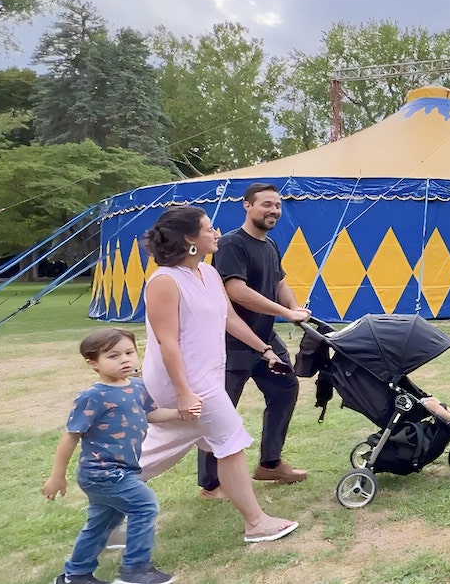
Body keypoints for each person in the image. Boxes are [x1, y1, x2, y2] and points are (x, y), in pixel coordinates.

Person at [138, 205, 299, 543]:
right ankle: (255, 522)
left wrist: (265, 349)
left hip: (207, 376)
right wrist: (183, 392)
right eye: (208, 228)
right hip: (182, 380)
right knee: (231, 440)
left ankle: (107, 485)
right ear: (189, 239)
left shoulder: (209, 274)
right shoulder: (164, 281)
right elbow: (167, 342)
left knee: (158, 451)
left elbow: (230, 320)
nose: (216, 233)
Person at [43, 329, 192, 584]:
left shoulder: (137, 386)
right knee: (145, 506)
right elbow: (71, 436)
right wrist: (57, 476)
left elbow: (151, 415)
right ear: (93, 363)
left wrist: (181, 412)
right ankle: (135, 571)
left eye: (129, 353)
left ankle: (75, 575)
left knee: (101, 524)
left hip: (126, 470)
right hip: (103, 474)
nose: (125, 359)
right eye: (113, 356)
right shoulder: (92, 397)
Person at [197, 184, 312, 499]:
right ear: (247, 206)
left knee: (285, 389)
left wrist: (295, 309)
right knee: (221, 410)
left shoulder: (270, 245)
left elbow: (279, 281)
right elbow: (236, 291)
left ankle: (270, 463)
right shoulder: (233, 244)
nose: (273, 210)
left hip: (264, 338)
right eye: (266, 204)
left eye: (277, 205)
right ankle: (211, 484)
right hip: (230, 343)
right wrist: (285, 313)